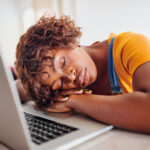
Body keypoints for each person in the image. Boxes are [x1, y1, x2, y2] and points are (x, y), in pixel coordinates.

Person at [15, 15, 150, 134]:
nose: (70, 77)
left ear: (66, 40)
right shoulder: (64, 88)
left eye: (62, 63)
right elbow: (19, 89)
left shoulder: (131, 45)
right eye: (60, 83)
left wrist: (74, 101)